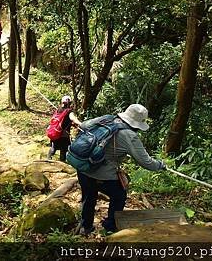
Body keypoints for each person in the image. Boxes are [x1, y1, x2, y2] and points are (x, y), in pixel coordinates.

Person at [76, 104, 166, 236]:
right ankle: (110, 227)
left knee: (88, 196)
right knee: (119, 195)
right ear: (137, 124)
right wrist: (160, 165)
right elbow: (146, 162)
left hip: (83, 167)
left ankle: (85, 226)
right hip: (102, 176)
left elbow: (83, 125)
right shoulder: (129, 135)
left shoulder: (106, 119)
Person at [47, 96, 81, 161]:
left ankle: (48, 160)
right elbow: (73, 118)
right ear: (69, 103)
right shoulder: (69, 111)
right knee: (63, 150)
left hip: (55, 133)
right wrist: (80, 124)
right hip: (64, 135)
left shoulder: (58, 110)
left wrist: (72, 124)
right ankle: (62, 163)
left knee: (53, 148)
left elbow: (63, 120)